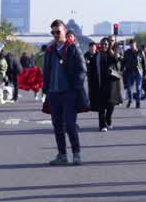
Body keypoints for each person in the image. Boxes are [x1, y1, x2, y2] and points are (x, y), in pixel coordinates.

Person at [42, 19, 89, 165]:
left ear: (65, 31)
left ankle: (76, 154)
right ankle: (62, 155)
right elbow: (47, 70)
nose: (55, 35)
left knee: (70, 124)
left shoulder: (72, 48)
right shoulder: (50, 50)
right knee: (57, 125)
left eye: (58, 31)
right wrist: (46, 89)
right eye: (53, 32)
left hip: (69, 93)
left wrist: (75, 87)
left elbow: (82, 70)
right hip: (53, 93)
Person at [87, 35, 124, 131]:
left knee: (111, 104)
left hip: (111, 85)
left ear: (109, 46)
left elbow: (119, 63)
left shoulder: (112, 55)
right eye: (102, 44)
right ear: (100, 45)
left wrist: (115, 54)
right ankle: (102, 125)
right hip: (99, 84)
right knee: (101, 106)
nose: (104, 46)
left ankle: (108, 118)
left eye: (106, 44)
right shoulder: (96, 56)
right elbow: (91, 71)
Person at [122, 39, 145, 108]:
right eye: (131, 45)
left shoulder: (140, 52)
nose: (132, 46)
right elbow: (124, 61)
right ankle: (130, 100)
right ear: (130, 45)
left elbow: (144, 62)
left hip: (139, 71)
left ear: (135, 44)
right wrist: (121, 70)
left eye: (133, 44)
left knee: (138, 88)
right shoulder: (127, 52)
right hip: (130, 71)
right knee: (129, 88)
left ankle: (138, 102)